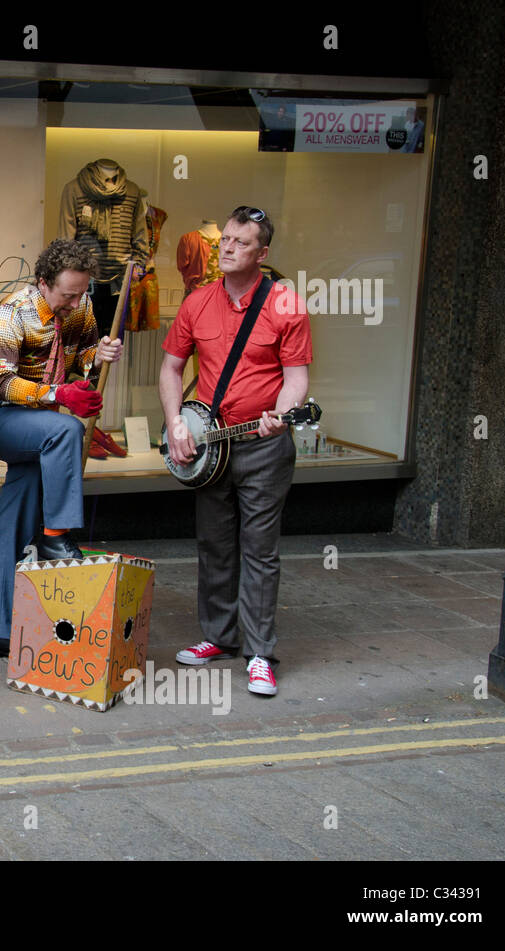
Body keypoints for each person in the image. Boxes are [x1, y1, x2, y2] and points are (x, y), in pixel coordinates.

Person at [159, 206, 312, 696]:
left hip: (262, 446)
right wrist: (175, 422)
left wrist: (280, 415)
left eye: (240, 243)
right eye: (224, 239)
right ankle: (219, 637)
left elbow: (296, 380)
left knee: (260, 551)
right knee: (215, 544)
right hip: (209, 445)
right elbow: (169, 370)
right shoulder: (197, 302)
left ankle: (261, 653)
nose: (226, 248)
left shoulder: (285, 304)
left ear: (262, 254)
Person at [0, 239, 123, 659]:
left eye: (81, 294)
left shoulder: (82, 308)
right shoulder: (12, 311)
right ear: (43, 283)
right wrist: (60, 393)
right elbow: (2, 383)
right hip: (1, 417)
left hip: (42, 425)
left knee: (15, 514)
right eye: (67, 295)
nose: (75, 303)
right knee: (66, 430)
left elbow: (88, 363)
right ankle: (58, 534)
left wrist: (104, 356)